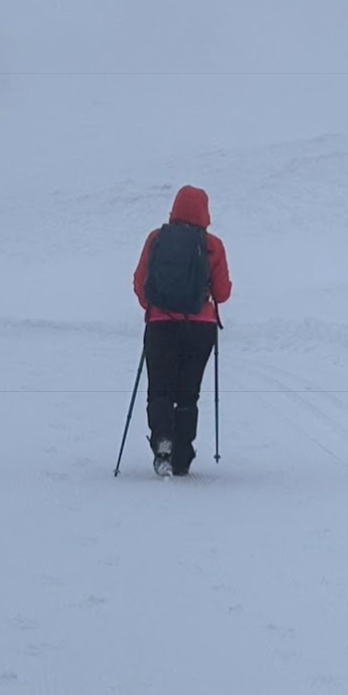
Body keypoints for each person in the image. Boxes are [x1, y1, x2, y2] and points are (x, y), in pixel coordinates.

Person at [132, 185, 231, 477]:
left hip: (160, 325)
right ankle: (183, 457)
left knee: (160, 388)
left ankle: (163, 443)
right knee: (188, 393)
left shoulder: (156, 239)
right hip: (200, 329)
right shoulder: (213, 245)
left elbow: (141, 283)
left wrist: (154, 308)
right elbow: (222, 293)